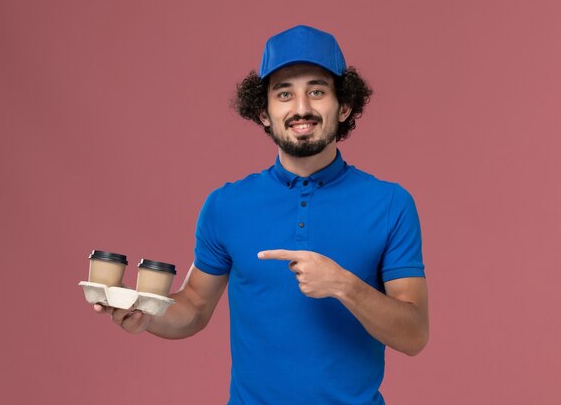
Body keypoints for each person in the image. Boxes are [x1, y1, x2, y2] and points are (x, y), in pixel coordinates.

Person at [94, 25, 429, 405]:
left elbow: (414, 334)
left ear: (344, 106)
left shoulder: (389, 204)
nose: (301, 108)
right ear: (264, 113)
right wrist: (148, 315)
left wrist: (344, 286)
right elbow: (195, 307)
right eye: (284, 94)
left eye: (317, 91)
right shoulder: (226, 205)